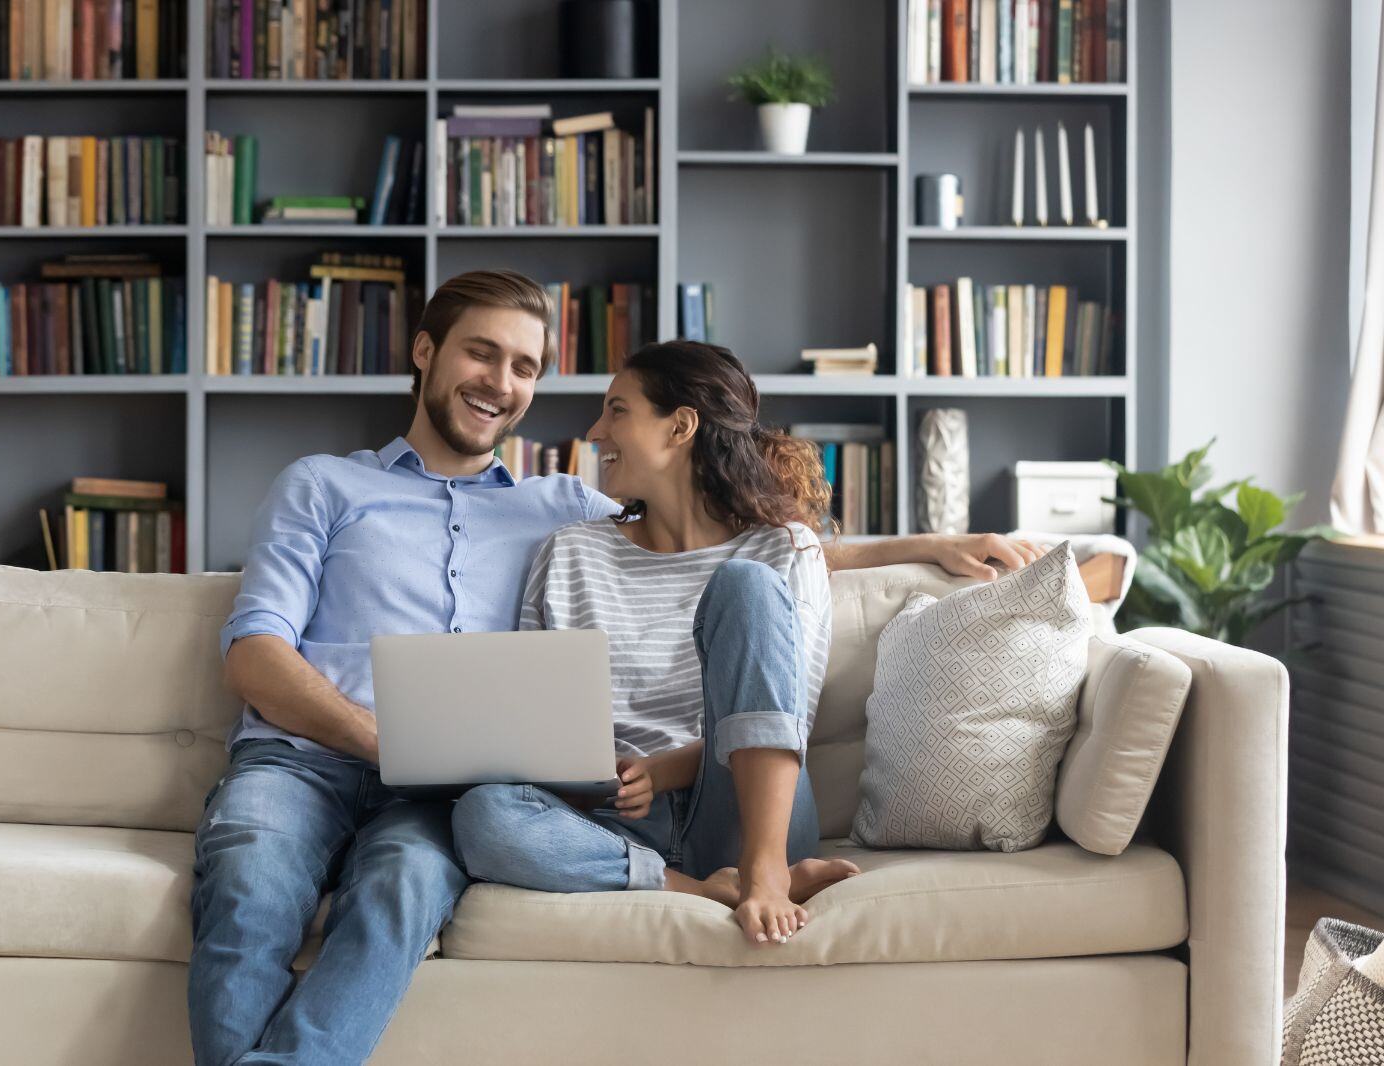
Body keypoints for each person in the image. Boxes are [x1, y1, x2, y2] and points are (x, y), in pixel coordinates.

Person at [191, 271, 1046, 1066]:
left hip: (439, 797)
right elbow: (255, 655)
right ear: (426, 352)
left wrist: (930, 545)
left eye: (523, 366)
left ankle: (741, 871)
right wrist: (389, 743)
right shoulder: (325, 486)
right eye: (480, 352)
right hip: (305, 764)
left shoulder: (558, 504)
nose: (502, 381)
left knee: (405, 887)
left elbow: (717, 531)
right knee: (250, 879)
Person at [450, 341, 1050, 944]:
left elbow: (784, 718)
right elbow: (536, 731)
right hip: (613, 821)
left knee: (745, 586)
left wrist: (662, 771)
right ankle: (702, 887)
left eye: (618, 410)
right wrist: (588, 777)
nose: (596, 430)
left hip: (745, 807)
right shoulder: (569, 554)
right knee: (482, 815)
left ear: (680, 426)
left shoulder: (780, 549)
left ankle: (765, 871)